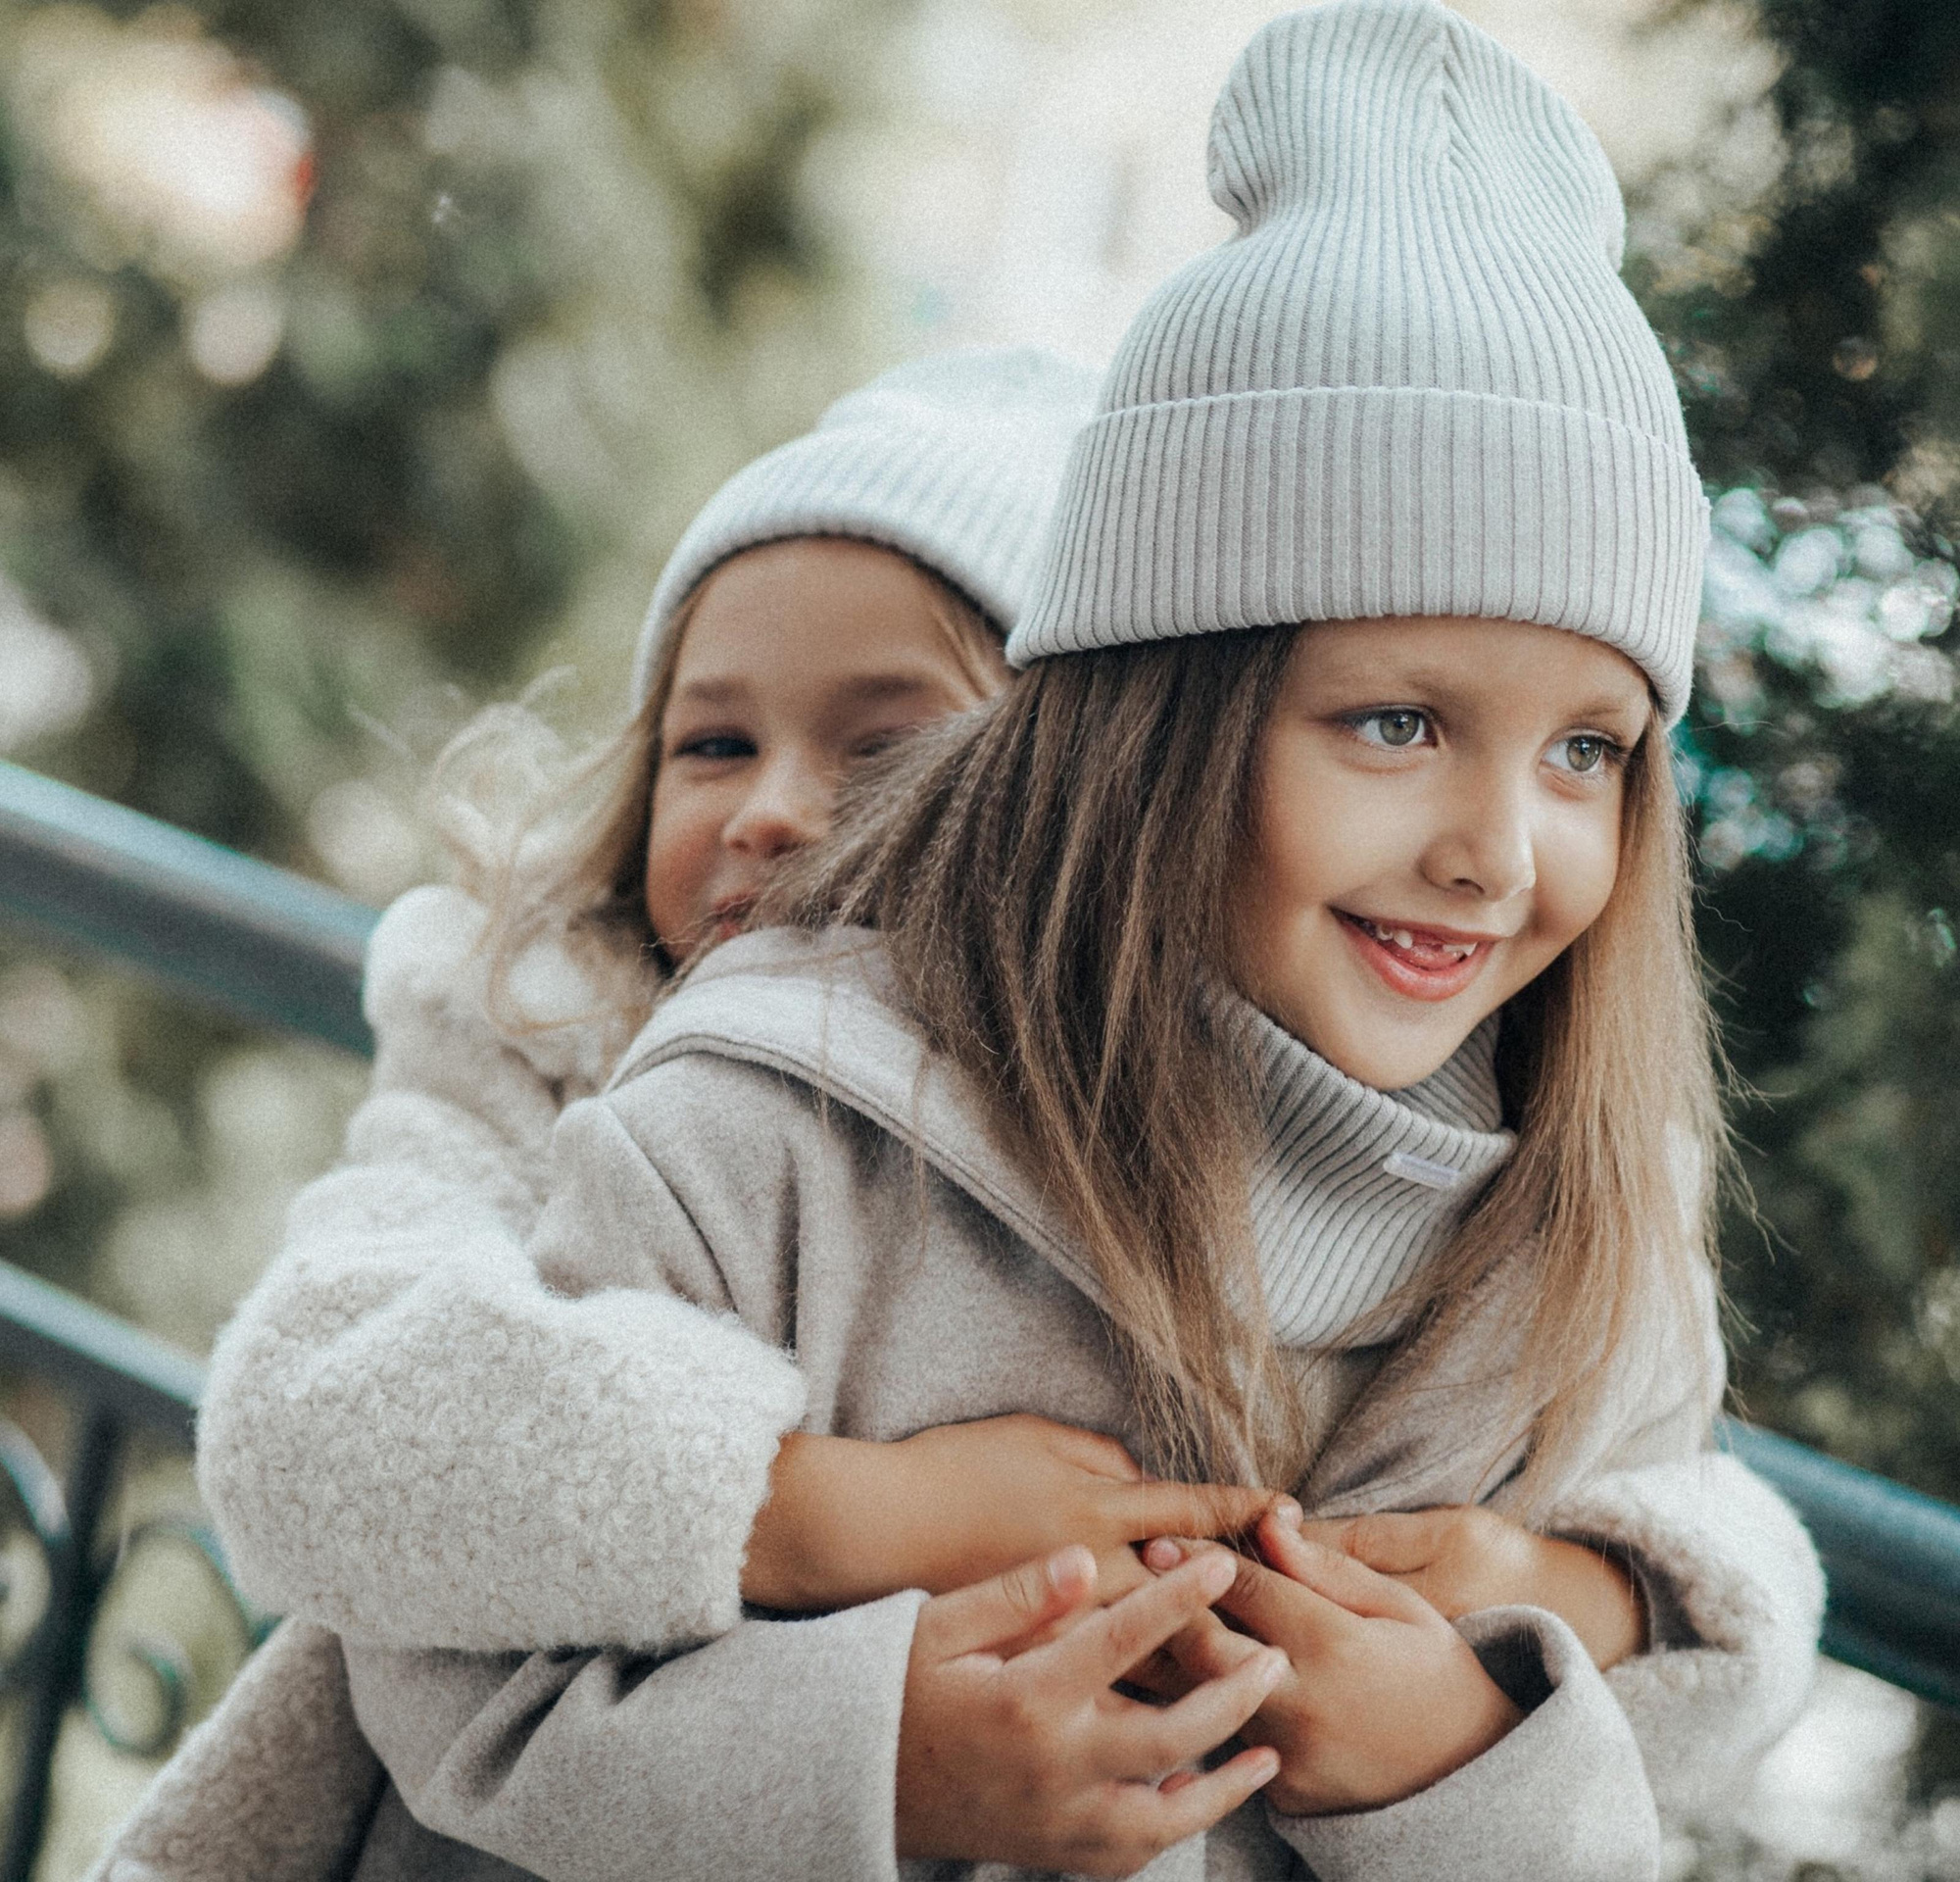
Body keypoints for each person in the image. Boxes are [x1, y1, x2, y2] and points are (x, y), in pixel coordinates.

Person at [327, 5, 1825, 1878]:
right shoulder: (768, 1130)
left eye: (1587, 752)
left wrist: (1465, 1754)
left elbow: (1671, 1718)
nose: (1494, 854)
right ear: (1160, 717)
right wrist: (865, 1773)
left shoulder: (1584, 1244)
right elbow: (460, 1699)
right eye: (1396, 723)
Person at [91, 345, 1280, 1881]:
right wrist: (843, 1515)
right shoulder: (533, 1040)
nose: (770, 807)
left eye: (889, 745)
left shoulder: (1176, 1166)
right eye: (712, 742)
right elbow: (303, 1423)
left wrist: (1587, 1589)